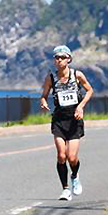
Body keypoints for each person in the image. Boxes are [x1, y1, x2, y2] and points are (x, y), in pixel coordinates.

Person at [40, 45, 93, 201]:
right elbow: (43, 95)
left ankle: (75, 176)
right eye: (56, 57)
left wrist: (81, 106)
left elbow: (90, 90)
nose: (58, 60)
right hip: (59, 119)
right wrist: (43, 102)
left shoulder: (77, 75)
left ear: (69, 59)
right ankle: (65, 189)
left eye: (62, 57)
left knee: (71, 157)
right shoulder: (51, 78)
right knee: (61, 156)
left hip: (74, 119)